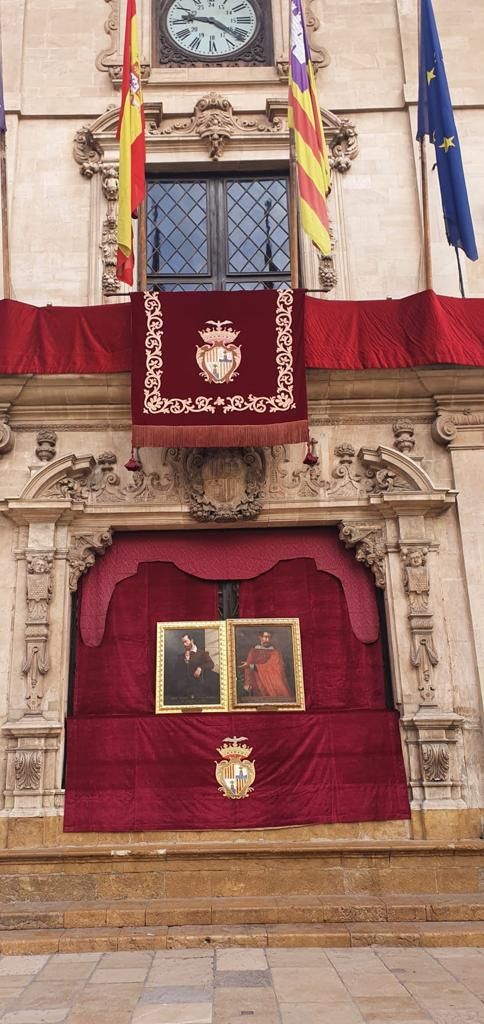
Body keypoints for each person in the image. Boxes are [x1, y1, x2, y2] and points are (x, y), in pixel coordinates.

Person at [240, 630, 292, 700]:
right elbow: (248, 668)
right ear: (260, 637)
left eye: (269, 638)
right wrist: (248, 683)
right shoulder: (253, 651)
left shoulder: (275, 652)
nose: (268, 640)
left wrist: (253, 665)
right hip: (256, 684)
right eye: (265, 637)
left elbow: (277, 668)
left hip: (272, 686)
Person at [172, 633, 219, 704]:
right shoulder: (181, 656)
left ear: (192, 640)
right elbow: (176, 672)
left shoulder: (202, 653)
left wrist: (200, 668)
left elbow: (211, 664)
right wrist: (185, 662)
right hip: (185, 689)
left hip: (200, 686)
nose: (184, 644)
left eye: (186, 641)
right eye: (183, 642)